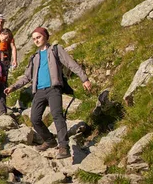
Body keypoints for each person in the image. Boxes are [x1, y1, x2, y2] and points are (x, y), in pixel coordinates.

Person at [5, 27, 91, 159]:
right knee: (34, 118)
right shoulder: (35, 57)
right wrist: (13, 87)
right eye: (34, 39)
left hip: (53, 88)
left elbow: (71, 64)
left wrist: (84, 79)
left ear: (45, 36)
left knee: (57, 115)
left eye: (38, 37)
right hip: (39, 91)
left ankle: (64, 147)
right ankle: (50, 140)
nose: (36, 40)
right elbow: (27, 77)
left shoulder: (56, 50)